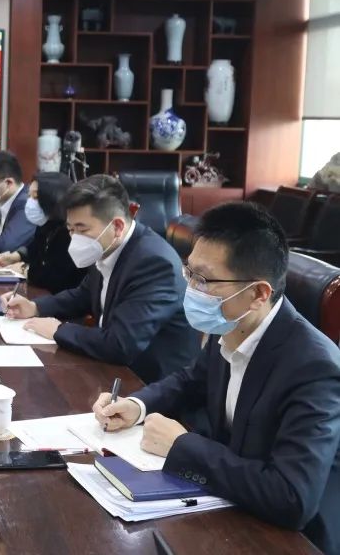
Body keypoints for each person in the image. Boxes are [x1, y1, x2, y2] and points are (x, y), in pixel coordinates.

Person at [93, 202, 340, 555]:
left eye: (204, 280)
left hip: (290, 538)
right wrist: (137, 405)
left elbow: (291, 497)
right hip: (230, 506)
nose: (191, 289)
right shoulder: (233, 325)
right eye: (189, 273)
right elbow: (190, 380)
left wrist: (182, 446)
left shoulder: (315, 368)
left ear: (258, 294)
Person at [2, 174, 195, 383]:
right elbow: (83, 295)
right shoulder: (108, 246)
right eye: (71, 229)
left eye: (82, 229)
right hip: (109, 368)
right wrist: (35, 307)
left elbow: (121, 344)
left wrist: (59, 330)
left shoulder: (154, 263)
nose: (75, 238)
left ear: (117, 227)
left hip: (147, 382)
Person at [0, 171, 87, 294]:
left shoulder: (72, 230)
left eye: (36, 197)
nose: (30, 202)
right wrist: (13, 257)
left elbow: (59, 277)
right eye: (29, 196)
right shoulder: (47, 223)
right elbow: (35, 248)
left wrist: (25, 270)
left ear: (54, 198)